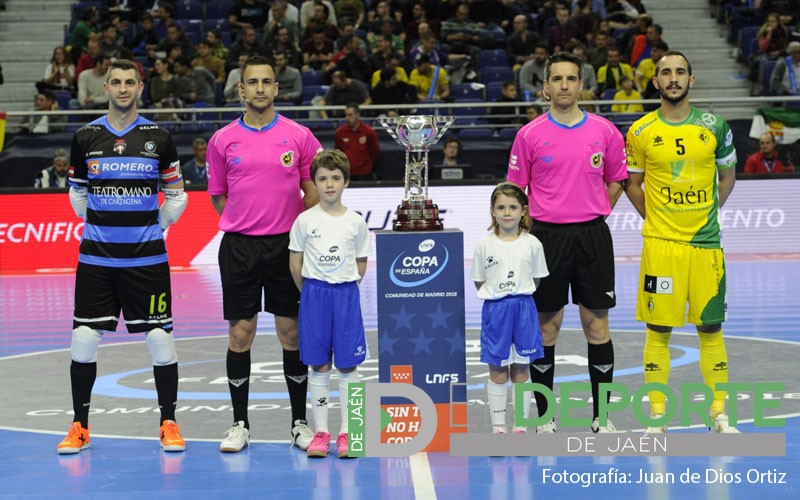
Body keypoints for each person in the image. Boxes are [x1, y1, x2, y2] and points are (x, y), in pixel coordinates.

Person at [58, 59, 188, 455]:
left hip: (146, 263)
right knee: (82, 339)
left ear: (140, 87)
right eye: (116, 82)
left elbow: (177, 195)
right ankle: (80, 425)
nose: (123, 88)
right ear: (106, 88)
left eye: (130, 82)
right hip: (96, 262)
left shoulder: (159, 137)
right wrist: (100, 222)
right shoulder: (85, 137)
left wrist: (153, 228)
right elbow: (77, 196)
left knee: (160, 340)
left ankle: (168, 422)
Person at [506, 51, 628, 433]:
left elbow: (617, 180)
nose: (563, 85)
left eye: (570, 79)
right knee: (547, 329)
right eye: (556, 79)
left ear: (581, 85)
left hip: (592, 237)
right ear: (545, 87)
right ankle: (544, 416)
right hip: (545, 238)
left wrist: (595, 213)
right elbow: (515, 189)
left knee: (597, 327)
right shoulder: (529, 134)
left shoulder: (605, 131)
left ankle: (602, 417)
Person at [207, 55, 321, 453]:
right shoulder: (222, 140)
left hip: (286, 248)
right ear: (241, 89)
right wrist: (245, 223)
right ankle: (240, 424)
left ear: (277, 88)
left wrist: (298, 229)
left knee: (291, 335)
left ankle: (299, 424)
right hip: (239, 247)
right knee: (241, 335)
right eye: (251, 82)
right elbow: (219, 196)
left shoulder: (299, 136)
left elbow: (314, 187)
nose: (259, 88)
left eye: (266, 82)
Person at [624, 51, 740, 434]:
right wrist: (658, 220)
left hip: (706, 247)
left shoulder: (716, 127)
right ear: (655, 82)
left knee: (711, 329)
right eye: (665, 73)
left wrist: (707, 213)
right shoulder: (639, 131)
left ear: (692, 79)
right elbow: (633, 185)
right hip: (661, 248)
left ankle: (719, 415)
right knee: (658, 330)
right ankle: (657, 417)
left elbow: (727, 177)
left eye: (680, 72)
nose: (673, 78)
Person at [288, 149, 370, 458]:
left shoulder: (356, 222)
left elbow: (360, 264)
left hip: (345, 296)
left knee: (348, 365)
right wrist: (312, 292)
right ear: (314, 183)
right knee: (319, 364)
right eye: (322, 179)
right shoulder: (304, 221)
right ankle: (321, 433)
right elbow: (296, 265)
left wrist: (343, 286)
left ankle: (351, 432)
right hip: (314, 297)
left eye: (336, 178)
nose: (329, 184)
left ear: (346, 181)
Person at [471, 182, 549, 434]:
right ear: (492, 211)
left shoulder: (533, 243)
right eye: (501, 207)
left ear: (523, 211)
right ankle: (498, 427)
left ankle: (521, 426)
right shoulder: (485, 245)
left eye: (513, 207)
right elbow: (479, 279)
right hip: (496, 310)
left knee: (522, 367)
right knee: (497, 367)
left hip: (524, 309)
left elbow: (536, 279)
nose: (507, 212)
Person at [334, 104, 380, 181]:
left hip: (365, 173)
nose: (347, 118)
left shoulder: (368, 132)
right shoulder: (340, 132)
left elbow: (375, 152)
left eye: (350, 115)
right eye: (346, 115)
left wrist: (367, 166)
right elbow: (338, 153)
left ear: (357, 114)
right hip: (347, 174)